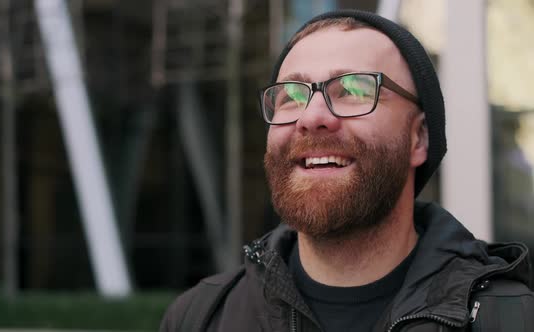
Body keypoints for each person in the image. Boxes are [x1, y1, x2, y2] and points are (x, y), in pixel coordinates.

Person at [160, 9, 534, 332]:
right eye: (291, 95)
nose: (312, 117)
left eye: (353, 90)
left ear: (418, 138)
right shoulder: (202, 316)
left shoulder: (511, 317)